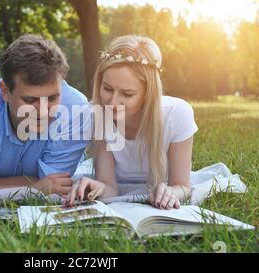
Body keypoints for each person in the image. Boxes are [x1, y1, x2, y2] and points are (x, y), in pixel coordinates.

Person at [0, 34, 89, 196]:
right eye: (30, 100)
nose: (42, 111)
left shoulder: (77, 108)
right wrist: (33, 188)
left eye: (52, 98)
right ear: (5, 91)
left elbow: (56, 184)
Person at [68, 35, 198, 209]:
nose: (112, 102)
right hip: (121, 187)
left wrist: (171, 192)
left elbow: (182, 185)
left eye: (127, 94)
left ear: (148, 93)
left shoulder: (177, 114)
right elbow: (110, 188)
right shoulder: (97, 114)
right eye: (107, 88)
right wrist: (98, 188)